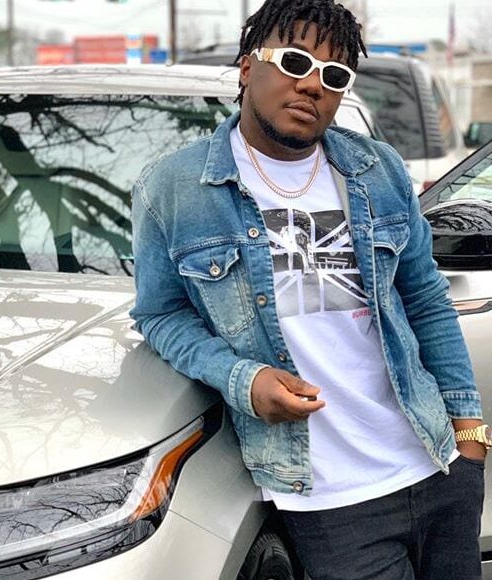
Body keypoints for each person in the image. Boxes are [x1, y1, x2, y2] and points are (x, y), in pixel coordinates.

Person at [130, 0, 488, 577]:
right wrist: (242, 380)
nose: (312, 84)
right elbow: (160, 315)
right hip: (326, 496)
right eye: (295, 62)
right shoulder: (174, 190)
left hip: (435, 459)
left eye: (334, 74)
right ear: (248, 67)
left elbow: (425, 298)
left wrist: (469, 430)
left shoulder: (377, 169)